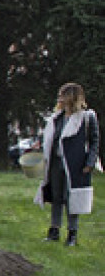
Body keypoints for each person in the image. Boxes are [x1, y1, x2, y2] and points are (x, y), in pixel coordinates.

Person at [34, 83, 100, 246]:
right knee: (56, 197)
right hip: (56, 162)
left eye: (63, 96)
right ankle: (54, 230)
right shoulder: (56, 118)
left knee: (72, 199)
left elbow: (94, 142)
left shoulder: (86, 117)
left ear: (72, 97)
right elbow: (51, 138)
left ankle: (72, 234)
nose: (60, 99)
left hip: (76, 165)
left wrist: (89, 163)